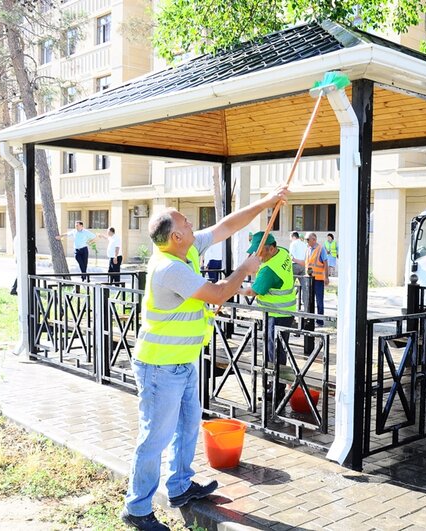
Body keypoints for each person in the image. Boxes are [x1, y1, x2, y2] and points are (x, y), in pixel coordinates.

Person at [121, 186, 288, 531]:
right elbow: (217, 294)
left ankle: (180, 487)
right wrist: (245, 267)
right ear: (177, 236)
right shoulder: (169, 268)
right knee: (155, 437)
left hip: (183, 361)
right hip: (160, 367)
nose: (194, 225)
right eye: (186, 222)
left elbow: (226, 226)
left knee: (186, 426)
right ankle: (137, 509)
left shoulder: (186, 248)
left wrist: (266, 201)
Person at [238, 232, 296, 400]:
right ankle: (278, 386)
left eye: (259, 252)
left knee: (274, 354)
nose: (257, 256)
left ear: (271, 249)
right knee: (280, 352)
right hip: (287, 312)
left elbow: (252, 291)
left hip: (275, 315)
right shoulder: (283, 252)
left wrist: (234, 289)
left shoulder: (269, 270)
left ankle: (276, 390)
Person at [304, 232, 329, 326]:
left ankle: (319, 320)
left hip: (318, 279)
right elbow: (306, 262)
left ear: (314, 240)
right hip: (309, 279)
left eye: (307, 239)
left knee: (319, 300)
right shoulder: (307, 249)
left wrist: (326, 277)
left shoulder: (320, 249)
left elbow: (325, 263)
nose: (306, 241)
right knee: (309, 300)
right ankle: (309, 319)